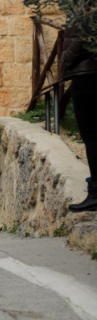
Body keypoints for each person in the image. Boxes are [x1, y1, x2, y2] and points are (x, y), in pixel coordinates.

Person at [63, 30, 97, 212]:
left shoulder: (83, 2)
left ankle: (95, 194)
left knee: (91, 135)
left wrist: (66, 58)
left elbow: (82, 35)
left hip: (87, 74)